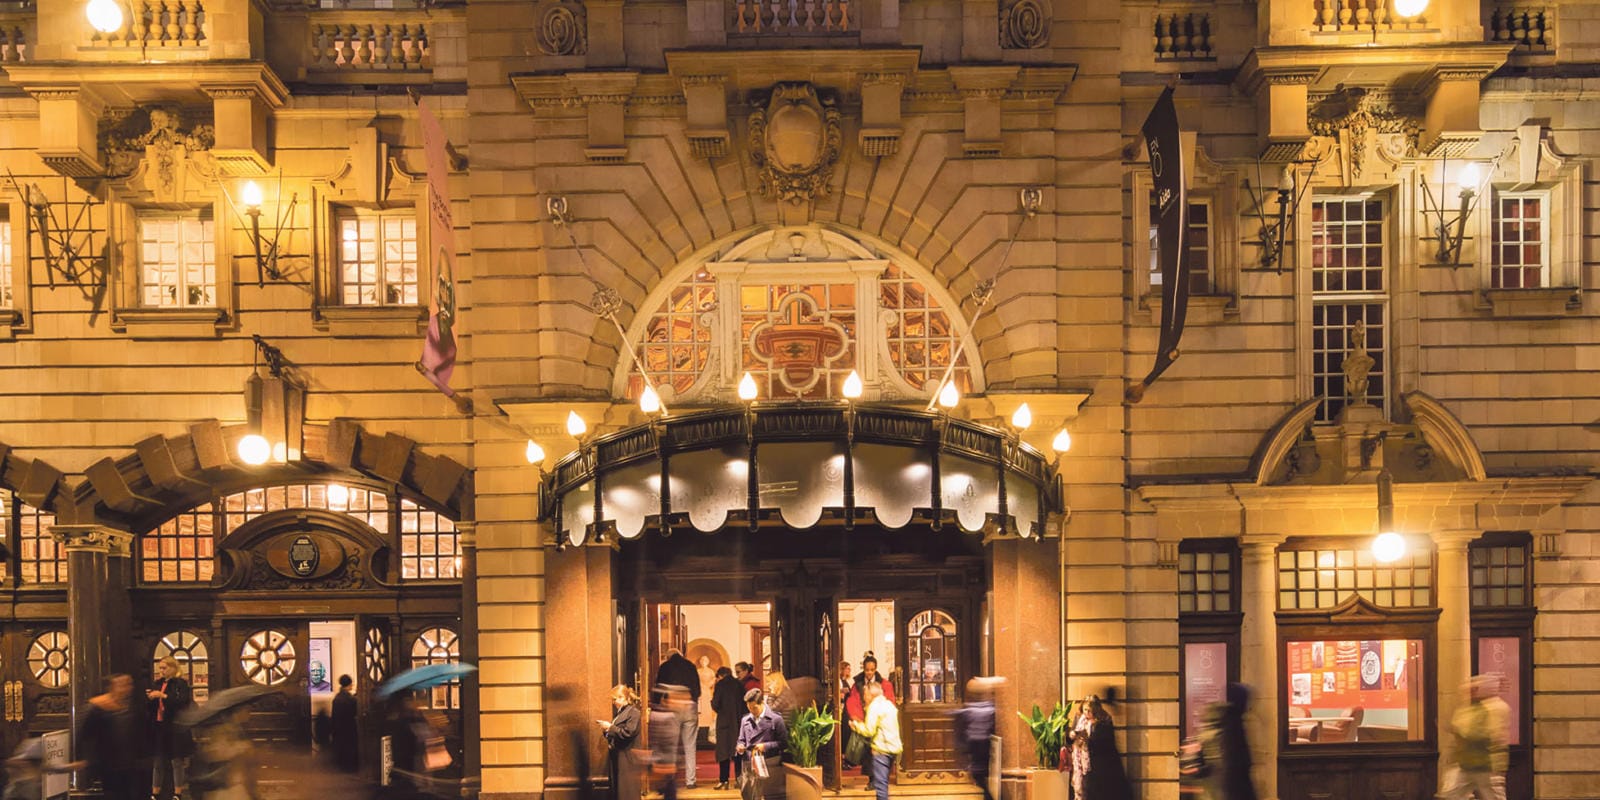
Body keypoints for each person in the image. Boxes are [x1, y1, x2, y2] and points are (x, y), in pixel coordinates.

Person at [1440, 675, 1510, 800]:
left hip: (1487, 765)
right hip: (1465, 763)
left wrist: (1458, 731)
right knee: (1452, 795)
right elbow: (1458, 737)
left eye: (1474, 689)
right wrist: (1451, 755)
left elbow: (1490, 735)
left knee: (1493, 796)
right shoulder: (1467, 709)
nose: (1469, 693)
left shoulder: (1495, 707)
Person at [79, 673, 147, 800]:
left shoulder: (133, 706)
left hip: (130, 763)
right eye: (122, 685)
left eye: (129, 684)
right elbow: (85, 735)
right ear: (112, 687)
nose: (127, 688)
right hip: (108, 764)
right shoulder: (97, 707)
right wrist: (87, 760)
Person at [1196, 683, 1257, 800]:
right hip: (1227, 789)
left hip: (1222, 787)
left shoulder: (1224, 720)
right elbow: (1233, 763)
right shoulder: (1233, 724)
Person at [1064, 695, 1132, 800]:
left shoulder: (1104, 721)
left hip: (1099, 766)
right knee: (1082, 791)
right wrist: (1072, 735)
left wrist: (1088, 740)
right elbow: (1069, 739)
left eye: (1090, 711)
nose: (1087, 713)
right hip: (1080, 763)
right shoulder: (1079, 718)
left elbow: (1107, 744)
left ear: (1096, 710)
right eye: (1085, 709)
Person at [654, 649, 702, 789]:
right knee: (690, 745)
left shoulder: (665, 667)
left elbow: (659, 688)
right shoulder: (691, 666)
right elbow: (697, 690)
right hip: (690, 707)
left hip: (672, 707)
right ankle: (690, 781)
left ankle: (670, 780)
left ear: (668, 657)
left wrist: (656, 705)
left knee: (670, 745)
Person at [148, 657, 194, 800]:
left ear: (173, 668)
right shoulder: (158, 683)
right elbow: (151, 708)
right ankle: (155, 792)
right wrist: (150, 698)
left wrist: (163, 696)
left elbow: (182, 702)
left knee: (176, 761)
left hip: (175, 726)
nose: (161, 671)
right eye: (160, 668)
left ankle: (177, 792)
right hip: (159, 725)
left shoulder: (180, 683)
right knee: (158, 760)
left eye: (164, 668)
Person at [189, 705, 258, 800]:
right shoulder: (225, 729)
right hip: (223, 787)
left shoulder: (238, 728)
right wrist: (239, 748)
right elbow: (214, 753)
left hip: (231, 785)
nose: (249, 714)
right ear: (237, 712)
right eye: (246, 710)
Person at [848, 681, 901, 800]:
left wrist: (856, 725)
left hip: (882, 749)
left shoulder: (874, 707)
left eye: (865, 694)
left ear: (871, 695)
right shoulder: (889, 704)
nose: (864, 697)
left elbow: (869, 730)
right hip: (893, 747)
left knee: (880, 785)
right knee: (884, 782)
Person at [736, 688, 789, 800]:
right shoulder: (745, 720)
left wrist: (765, 746)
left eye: (754, 707)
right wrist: (740, 746)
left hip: (769, 763)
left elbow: (784, 743)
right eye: (749, 708)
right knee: (750, 796)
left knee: (770, 796)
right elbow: (741, 739)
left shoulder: (776, 719)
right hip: (750, 764)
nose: (752, 711)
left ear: (762, 703)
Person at [953, 677, 1001, 800]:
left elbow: (962, 727)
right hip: (984, 743)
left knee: (978, 773)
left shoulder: (969, 709)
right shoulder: (988, 708)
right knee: (980, 772)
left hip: (976, 743)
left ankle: (989, 797)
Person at [599, 685, 642, 800]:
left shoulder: (633, 713)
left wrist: (610, 727)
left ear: (623, 697)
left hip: (627, 757)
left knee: (627, 791)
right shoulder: (621, 713)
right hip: (619, 755)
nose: (614, 702)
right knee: (620, 790)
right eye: (613, 699)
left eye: (615, 699)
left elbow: (628, 733)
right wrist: (606, 730)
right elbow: (618, 732)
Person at [649, 685, 690, 800]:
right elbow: (666, 743)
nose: (684, 704)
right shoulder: (667, 716)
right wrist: (666, 765)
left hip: (667, 765)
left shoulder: (666, 714)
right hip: (666, 766)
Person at [711, 667, 746, 791]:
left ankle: (724, 781)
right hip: (738, 722)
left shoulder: (720, 685)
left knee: (723, 753)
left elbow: (716, 704)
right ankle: (739, 779)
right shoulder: (739, 684)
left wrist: (713, 703)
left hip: (724, 723)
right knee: (738, 751)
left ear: (720, 676)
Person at [330, 675, 361, 773]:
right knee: (350, 749)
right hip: (349, 728)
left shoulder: (337, 698)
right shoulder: (351, 699)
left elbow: (333, 716)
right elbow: (356, 713)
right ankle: (350, 768)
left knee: (342, 749)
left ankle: (342, 768)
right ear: (349, 684)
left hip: (339, 729)